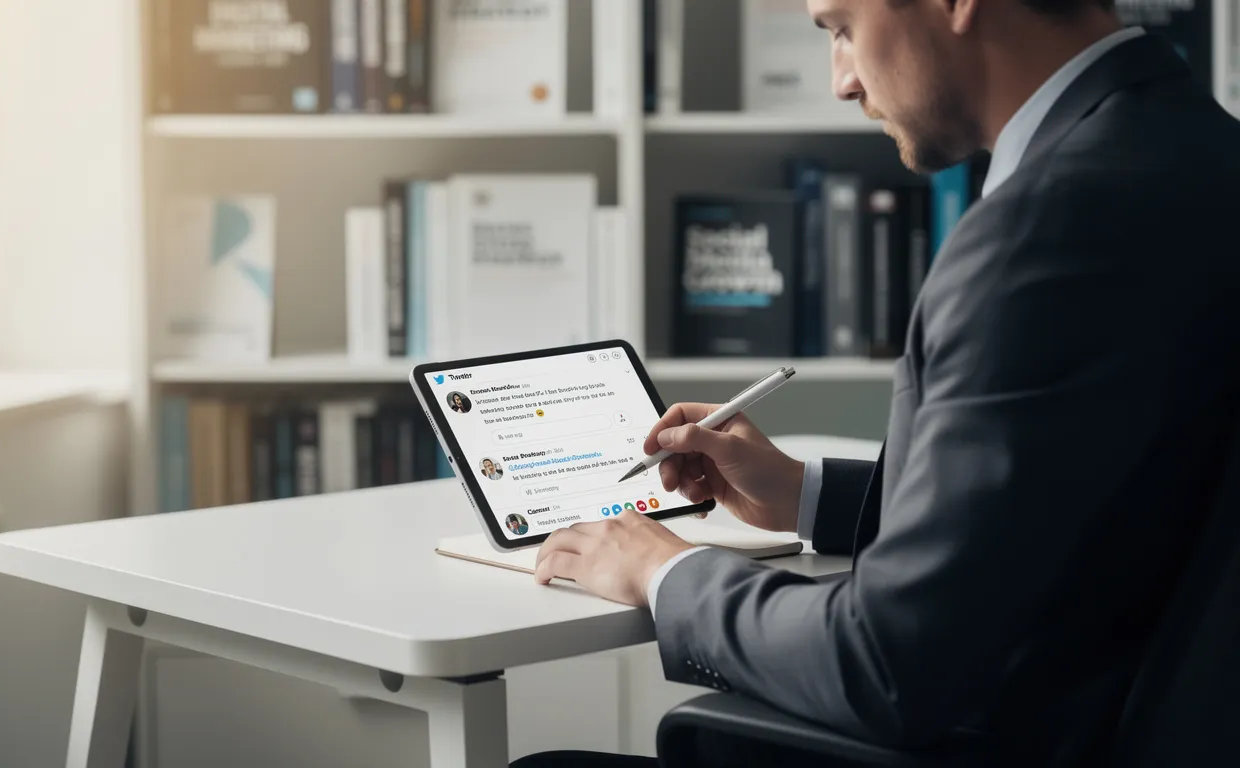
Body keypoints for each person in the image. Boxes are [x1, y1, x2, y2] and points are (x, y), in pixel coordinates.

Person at [517, 1, 1240, 766]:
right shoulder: (1199, 154)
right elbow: (1092, 500)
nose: (842, 81)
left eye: (842, 29)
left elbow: (888, 666)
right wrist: (806, 494)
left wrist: (664, 572)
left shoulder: (1045, 229)